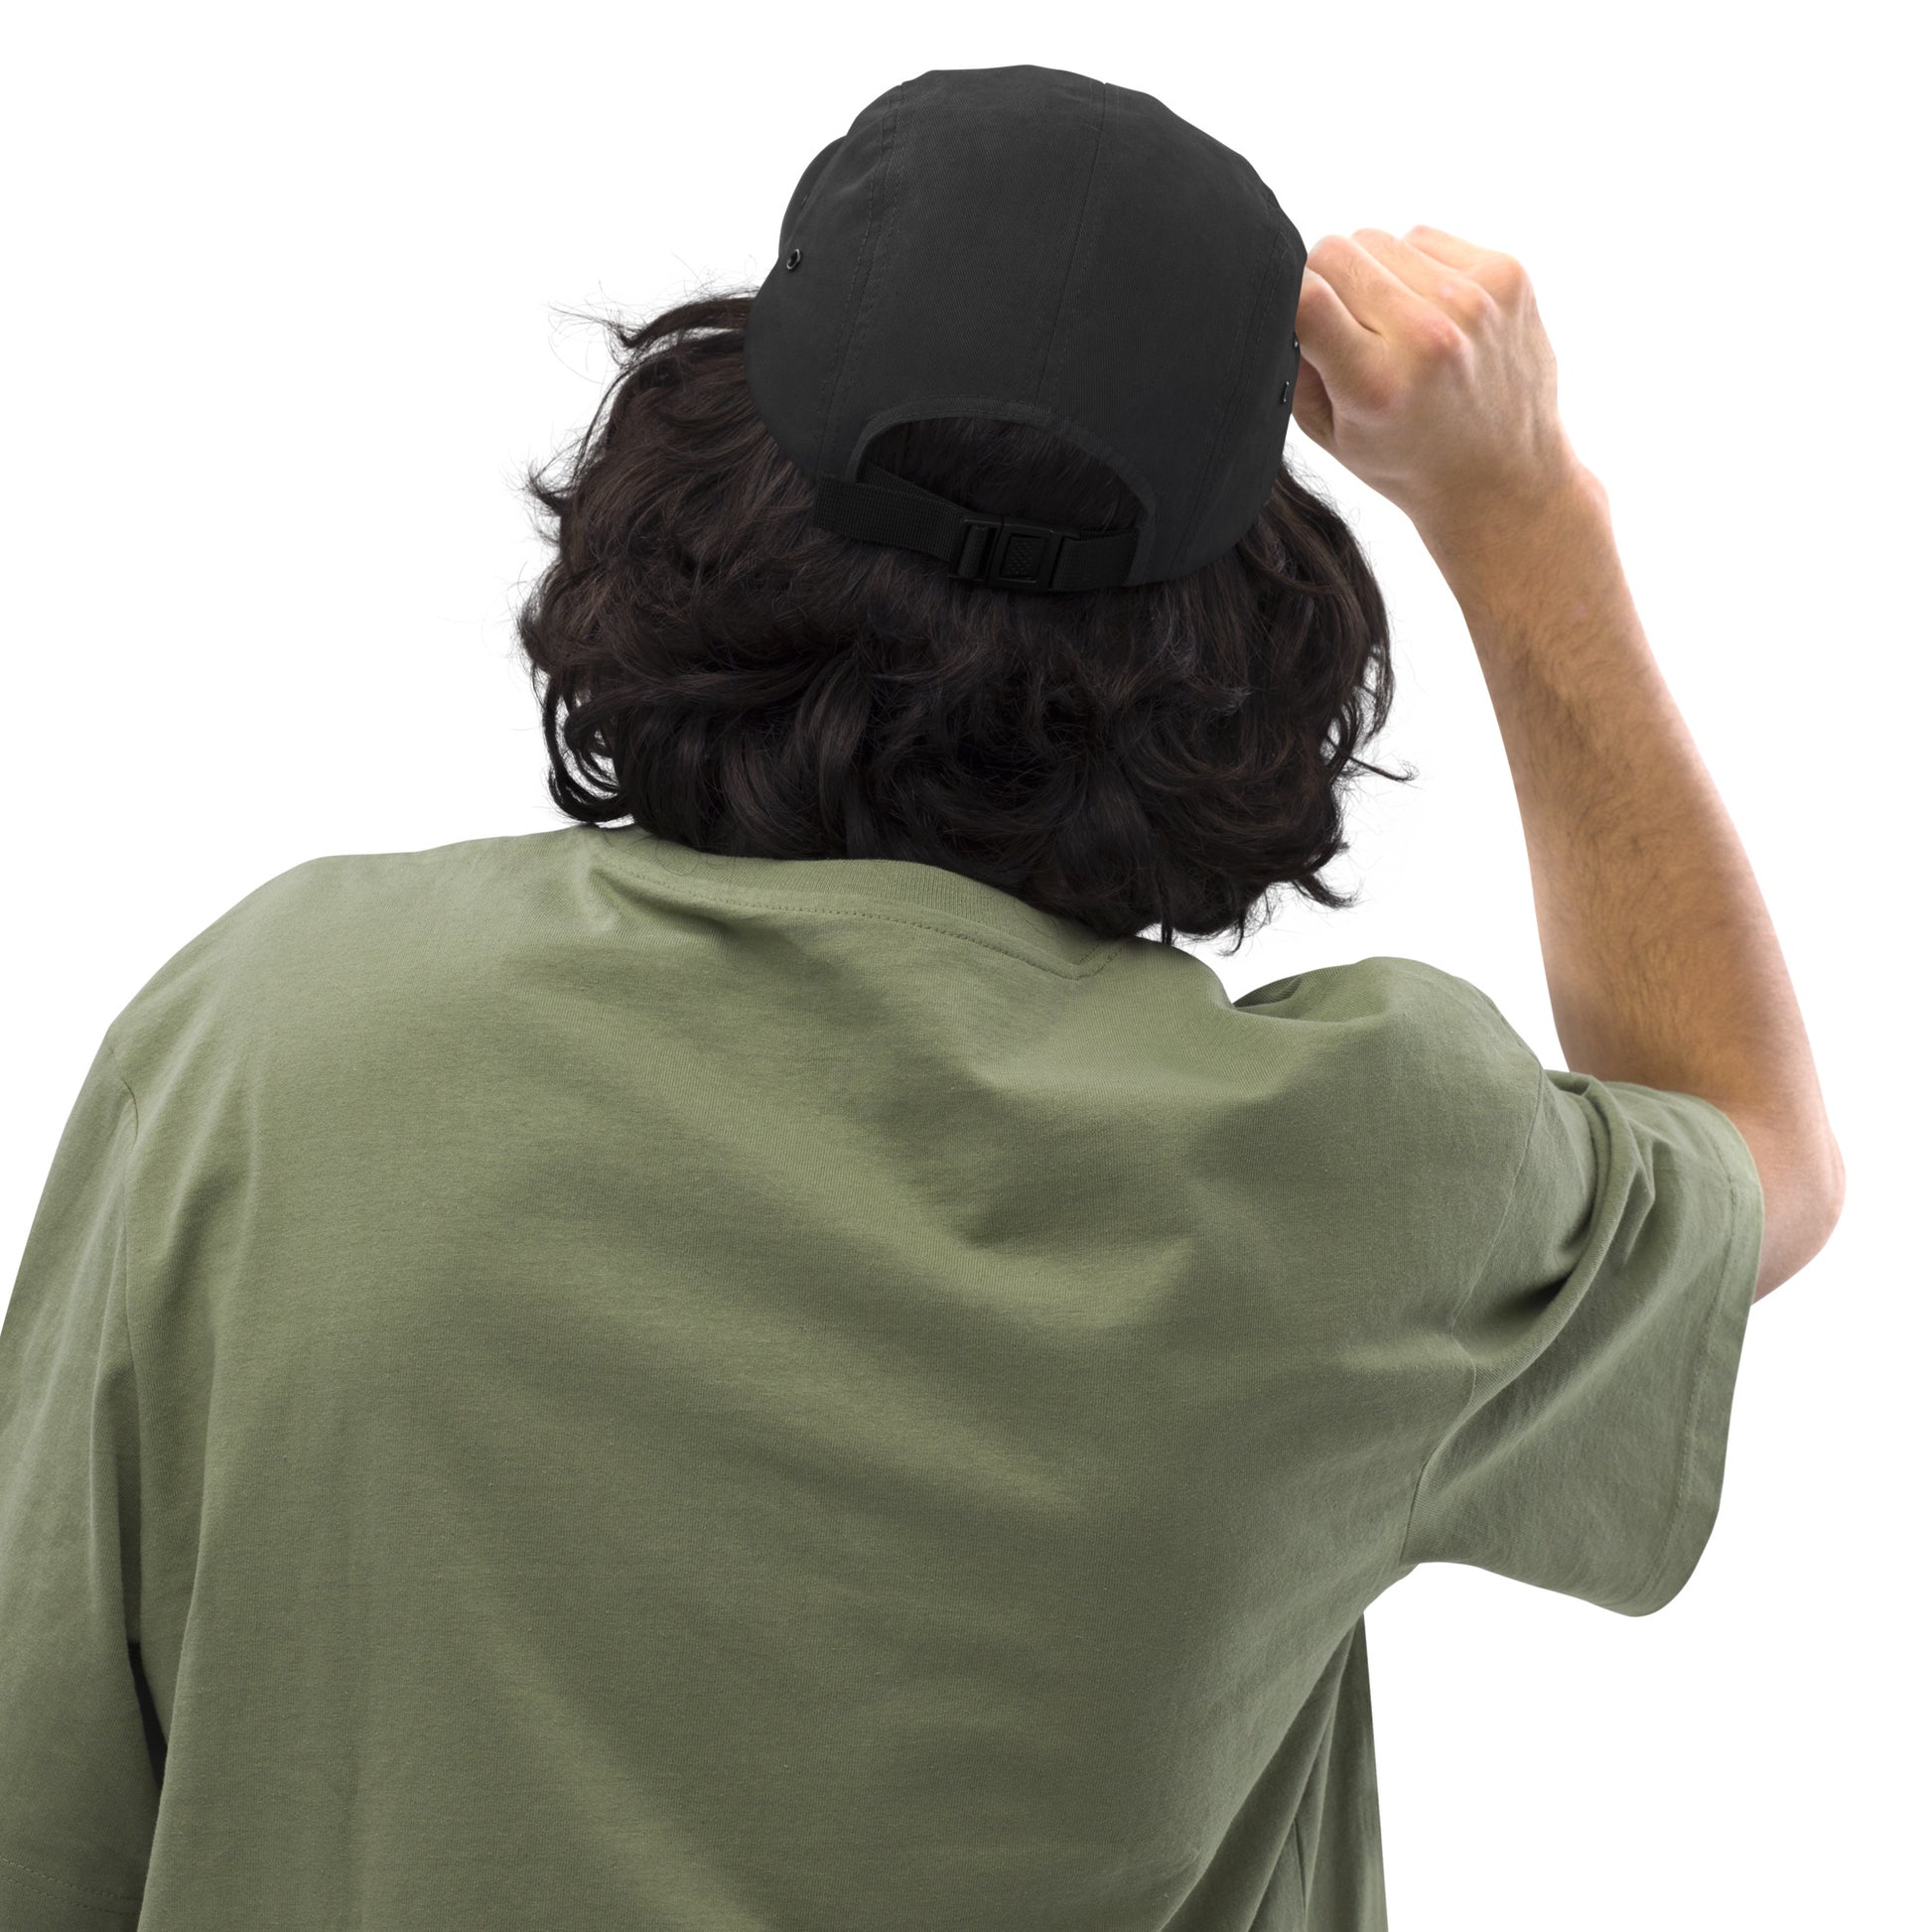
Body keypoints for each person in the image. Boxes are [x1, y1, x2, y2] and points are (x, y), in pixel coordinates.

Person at [0, 65, 1842, 1932]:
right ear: (1249, 641)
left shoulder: (276, 1036)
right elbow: (1756, 1150)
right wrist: (1520, 509)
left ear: (691, 474)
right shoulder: (1362, 1174)